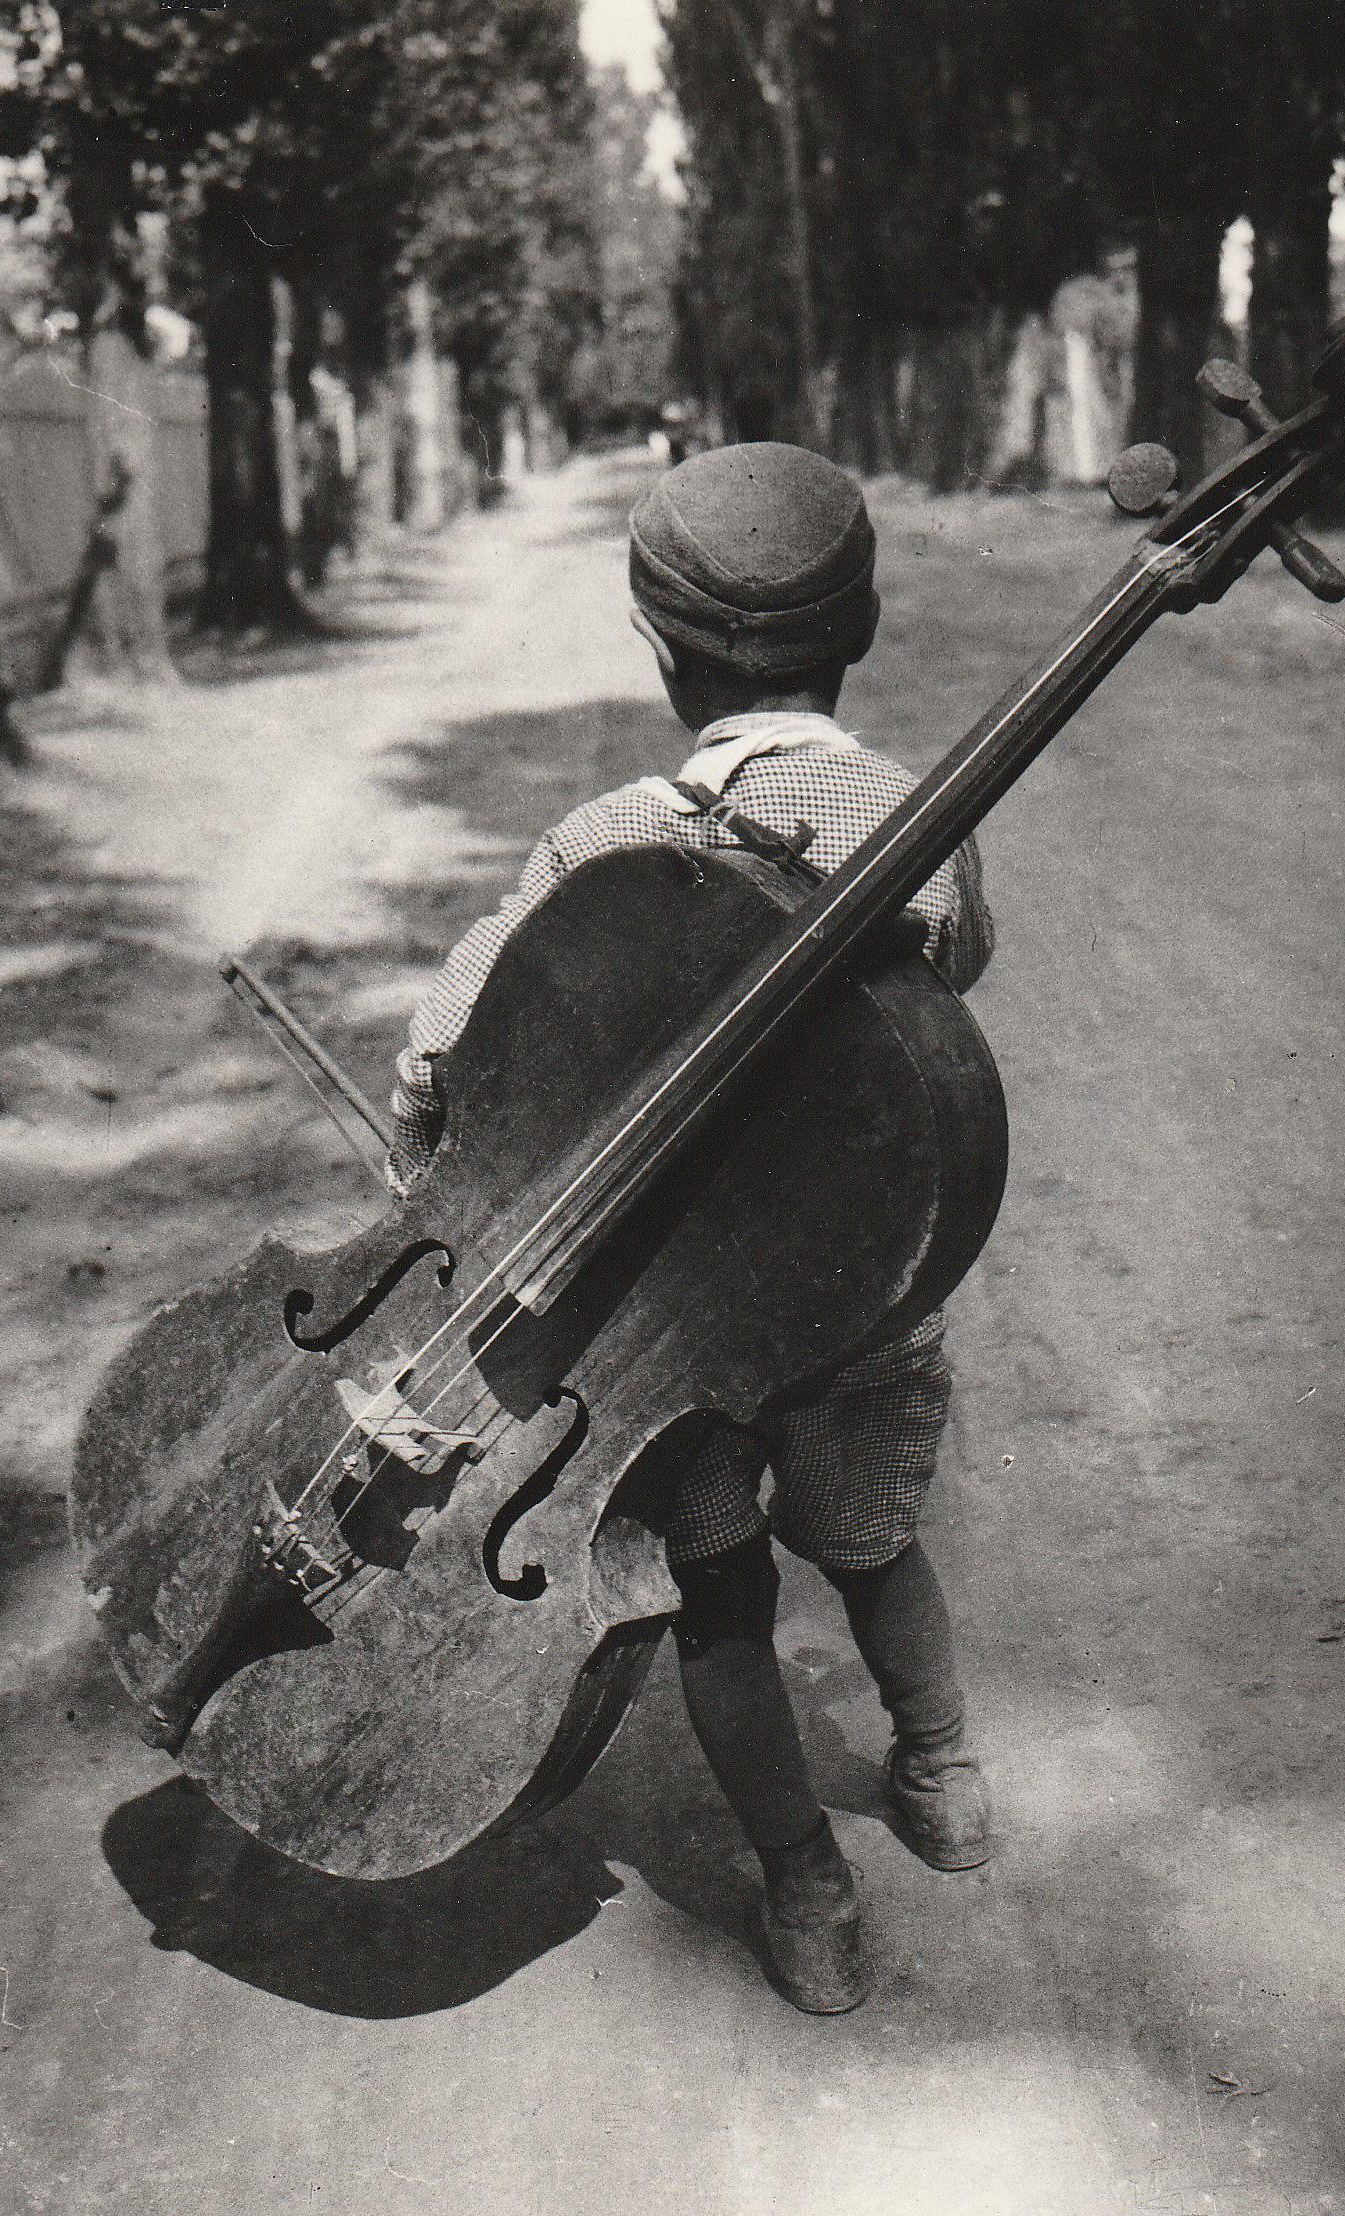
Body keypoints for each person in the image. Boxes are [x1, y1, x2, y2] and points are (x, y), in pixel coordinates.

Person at [385, 442, 996, 2014]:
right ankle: (942, 1773)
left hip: (674, 1328)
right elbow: (956, 980)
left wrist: (425, 1138)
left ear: (660, 650)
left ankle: (804, 1889)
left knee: (720, 1594)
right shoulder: (927, 823)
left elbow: (455, 1044)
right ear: (852, 639)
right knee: (871, 1544)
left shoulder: (601, 844)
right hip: (863, 1292)